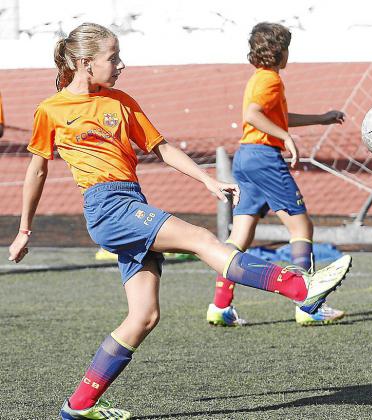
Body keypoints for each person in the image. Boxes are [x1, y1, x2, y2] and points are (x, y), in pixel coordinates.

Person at [8, 23, 351, 419]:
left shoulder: (121, 101)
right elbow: (37, 170)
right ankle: (300, 288)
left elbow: (163, 148)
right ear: (86, 63)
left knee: (144, 317)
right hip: (106, 208)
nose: (121, 64)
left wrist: (207, 179)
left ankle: (79, 405)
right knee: (201, 239)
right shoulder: (51, 110)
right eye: (113, 58)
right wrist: (24, 230)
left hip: (131, 201)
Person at [207, 22, 347, 328]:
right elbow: (253, 115)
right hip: (263, 159)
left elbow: (274, 117)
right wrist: (285, 137)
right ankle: (308, 305)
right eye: (287, 48)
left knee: (239, 237)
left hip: (245, 157)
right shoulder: (271, 79)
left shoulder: (259, 78)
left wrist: (320, 118)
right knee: (301, 226)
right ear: (278, 51)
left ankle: (220, 306)